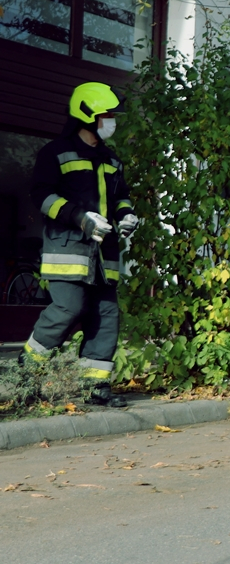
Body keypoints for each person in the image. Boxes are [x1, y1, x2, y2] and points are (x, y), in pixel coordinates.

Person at [19, 82, 139, 408]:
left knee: (105, 315)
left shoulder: (112, 159)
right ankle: (23, 376)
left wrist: (127, 216)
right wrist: (80, 217)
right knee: (67, 308)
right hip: (68, 250)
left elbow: (121, 198)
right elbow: (42, 196)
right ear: (87, 115)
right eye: (106, 114)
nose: (111, 120)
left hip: (104, 254)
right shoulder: (56, 152)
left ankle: (93, 390)